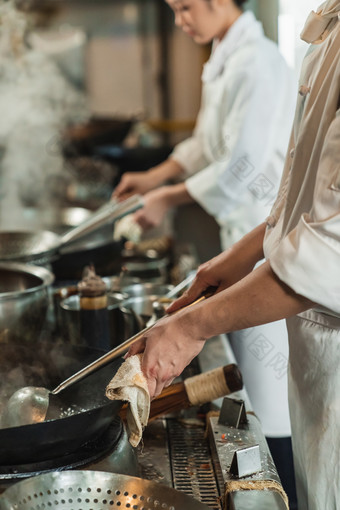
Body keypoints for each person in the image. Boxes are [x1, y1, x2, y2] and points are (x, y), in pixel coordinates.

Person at [126, 1, 340, 509]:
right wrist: (235, 259)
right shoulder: (326, 31)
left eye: (184, 6)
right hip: (283, 280)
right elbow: (298, 197)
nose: (180, 19)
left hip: (306, 298)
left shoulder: (261, 60)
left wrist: (188, 327)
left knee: (285, 431)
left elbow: (326, 251)